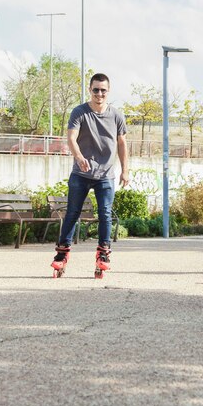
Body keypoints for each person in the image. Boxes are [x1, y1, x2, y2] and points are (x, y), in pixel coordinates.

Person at [51, 73, 129, 278]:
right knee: (72, 213)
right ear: (90, 90)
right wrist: (78, 156)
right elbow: (71, 137)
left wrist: (125, 170)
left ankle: (103, 254)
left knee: (105, 213)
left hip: (105, 174)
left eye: (103, 90)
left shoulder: (117, 115)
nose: (99, 94)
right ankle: (61, 254)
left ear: (108, 91)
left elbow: (122, 144)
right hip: (81, 172)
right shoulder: (80, 112)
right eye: (96, 90)